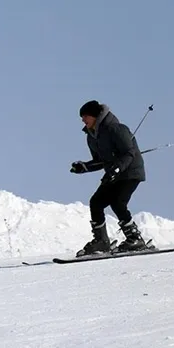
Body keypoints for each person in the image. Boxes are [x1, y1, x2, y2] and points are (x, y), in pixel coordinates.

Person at [70, 100, 148, 256]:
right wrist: (84, 167)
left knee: (118, 202)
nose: (83, 120)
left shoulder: (117, 129)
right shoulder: (91, 136)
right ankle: (101, 242)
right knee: (96, 202)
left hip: (131, 172)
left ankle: (135, 239)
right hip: (113, 174)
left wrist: (117, 169)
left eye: (85, 116)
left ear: (95, 116)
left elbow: (129, 153)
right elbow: (100, 161)